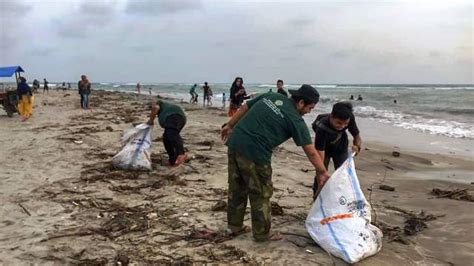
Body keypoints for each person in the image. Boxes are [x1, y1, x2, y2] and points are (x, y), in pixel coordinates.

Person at [221, 84, 329, 242]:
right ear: (301, 103)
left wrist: (229, 125)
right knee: (261, 193)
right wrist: (322, 172)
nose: (309, 111)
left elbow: (245, 107)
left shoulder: (272, 97)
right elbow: (310, 150)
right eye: (310, 108)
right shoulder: (296, 121)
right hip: (256, 154)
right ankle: (262, 234)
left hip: (235, 142)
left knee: (237, 188)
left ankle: (234, 227)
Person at [311, 102, 361, 199]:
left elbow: (357, 136)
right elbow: (320, 157)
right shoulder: (322, 128)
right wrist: (321, 176)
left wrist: (357, 146)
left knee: (343, 174)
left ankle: (342, 197)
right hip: (324, 148)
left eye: (345, 123)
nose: (342, 126)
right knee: (321, 174)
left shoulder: (349, 118)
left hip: (341, 146)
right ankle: (316, 198)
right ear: (332, 117)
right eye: (339, 123)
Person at [148, 100, 187, 166]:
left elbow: (155, 108)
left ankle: (181, 154)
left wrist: (151, 121)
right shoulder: (164, 109)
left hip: (174, 116)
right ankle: (173, 160)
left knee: (172, 133)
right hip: (179, 119)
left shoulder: (159, 103)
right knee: (166, 138)